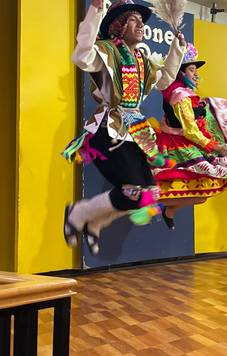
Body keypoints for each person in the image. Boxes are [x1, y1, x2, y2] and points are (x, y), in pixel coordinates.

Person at [62, 0, 186, 254]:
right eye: (133, 20)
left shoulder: (143, 60)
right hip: (107, 130)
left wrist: (177, 49)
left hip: (135, 133)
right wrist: (96, 11)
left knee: (150, 194)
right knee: (134, 193)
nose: (141, 24)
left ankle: (95, 222)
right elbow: (80, 56)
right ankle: (79, 212)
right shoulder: (106, 52)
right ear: (119, 26)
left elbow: (163, 81)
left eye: (142, 21)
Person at [145, 43, 227, 229]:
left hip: (185, 142)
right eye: (191, 69)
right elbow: (190, 130)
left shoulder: (184, 94)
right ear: (180, 72)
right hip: (178, 145)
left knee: (202, 195)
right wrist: (215, 146)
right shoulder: (180, 96)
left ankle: (168, 211)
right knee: (200, 191)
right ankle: (144, 204)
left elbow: (193, 123)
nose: (195, 74)